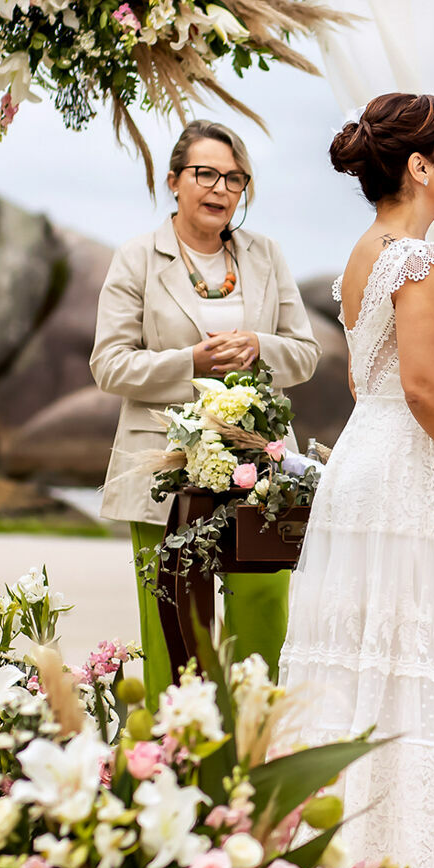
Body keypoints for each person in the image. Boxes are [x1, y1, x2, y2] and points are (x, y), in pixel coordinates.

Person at [277, 93, 434, 868]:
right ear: (418, 167)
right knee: (403, 658)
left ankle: (334, 849)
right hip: (406, 476)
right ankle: (396, 865)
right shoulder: (423, 261)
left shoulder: (366, 253)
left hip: (363, 466)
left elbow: (367, 385)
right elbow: (424, 387)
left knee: (356, 657)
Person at [91, 120, 320, 700]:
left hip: (257, 466)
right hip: (163, 469)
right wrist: (190, 361)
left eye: (235, 178)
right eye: (206, 174)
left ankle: (255, 754)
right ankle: (175, 762)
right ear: (174, 181)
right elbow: (109, 365)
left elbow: (307, 355)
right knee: (173, 625)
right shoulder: (137, 259)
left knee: (265, 609)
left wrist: (260, 347)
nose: (221, 188)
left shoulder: (265, 256)